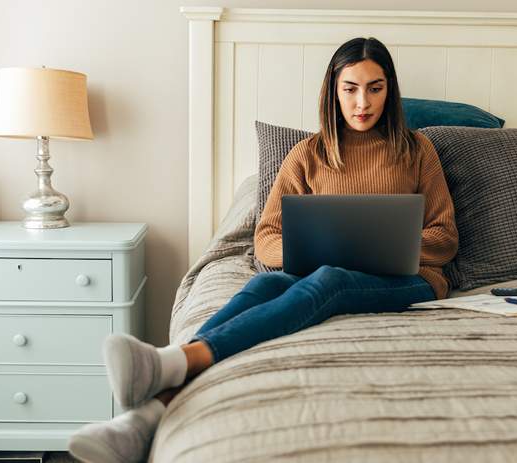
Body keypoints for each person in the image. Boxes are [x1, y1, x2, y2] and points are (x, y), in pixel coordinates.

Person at [68, 36, 459, 463]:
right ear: (333, 90)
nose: (362, 101)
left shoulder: (417, 150)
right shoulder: (307, 154)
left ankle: (178, 360)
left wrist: (378, 249)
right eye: (350, 88)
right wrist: (310, 252)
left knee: (330, 279)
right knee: (268, 283)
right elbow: (267, 238)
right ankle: (139, 422)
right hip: (313, 271)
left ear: (390, 90)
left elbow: (445, 236)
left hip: (411, 279)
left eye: (375, 88)